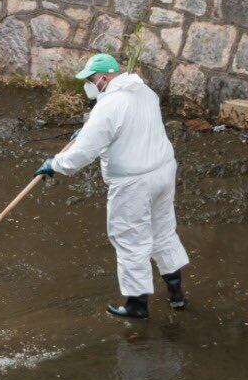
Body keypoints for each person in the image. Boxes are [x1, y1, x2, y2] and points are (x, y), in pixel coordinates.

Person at [35, 53, 189, 319]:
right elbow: (126, 127)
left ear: (104, 78)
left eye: (90, 80)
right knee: (162, 229)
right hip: (162, 170)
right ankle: (176, 295)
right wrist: (87, 129)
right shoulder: (144, 91)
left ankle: (136, 305)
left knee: (130, 239)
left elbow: (81, 155)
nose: (88, 85)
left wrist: (55, 163)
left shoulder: (109, 106)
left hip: (134, 181)